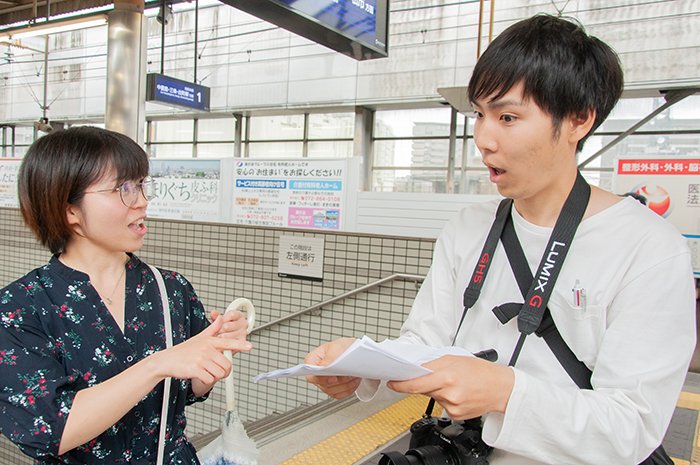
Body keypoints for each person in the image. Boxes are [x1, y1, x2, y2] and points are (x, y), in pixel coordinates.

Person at [305, 14, 696, 465]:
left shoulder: (648, 248)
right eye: (479, 115)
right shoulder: (467, 228)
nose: (484, 139)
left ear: (578, 120)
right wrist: (361, 363)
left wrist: (506, 392)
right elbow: (426, 342)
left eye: (508, 117)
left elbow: (632, 428)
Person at [0, 126, 253, 464]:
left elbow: (188, 391)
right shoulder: (19, 308)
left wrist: (210, 360)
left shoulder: (171, 288)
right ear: (69, 210)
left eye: (142, 185)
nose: (142, 201)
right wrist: (158, 364)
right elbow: (52, 430)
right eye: (124, 189)